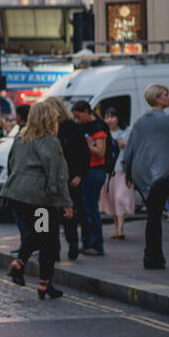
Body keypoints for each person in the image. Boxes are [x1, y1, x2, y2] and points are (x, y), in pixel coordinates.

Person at [2, 100, 73, 299]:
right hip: (39, 200)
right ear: (50, 118)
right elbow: (57, 174)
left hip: (17, 195)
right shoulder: (50, 141)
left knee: (37, 234)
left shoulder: (20, 137)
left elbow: (11, 164)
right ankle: (44, 284)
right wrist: (66, 202)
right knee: (47, 241)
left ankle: (20, 264)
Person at [124, 84, 169, 270]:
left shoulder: (140, 121)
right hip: (162, 176)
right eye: (166, 95)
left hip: (142, 173)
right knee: (155, 217)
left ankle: (152, 257)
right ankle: (154, 257)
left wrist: (128, 172)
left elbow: (131, 148)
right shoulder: (165, 120)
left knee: (152, 216)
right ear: (157, 98)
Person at [71, 100, 110, 256]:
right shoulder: (83, 126)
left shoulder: (98, 127)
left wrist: (83, 145)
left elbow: (100, 151)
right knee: (84, 208)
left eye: (79, 116)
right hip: (87, 170)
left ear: (87, 112)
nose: (77, 120)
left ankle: (97, 242)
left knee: (91, 208)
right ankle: (88, 241)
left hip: (95, 170)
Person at [56, 101, 88, 261]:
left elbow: (84, 153)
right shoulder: (47, 130)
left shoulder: (73, 129)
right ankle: (49, 247)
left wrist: (79, 175)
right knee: (46, 216)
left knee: (69, 215)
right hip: (51, 181)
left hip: (70, 178)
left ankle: (73, 243)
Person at [99, 107, 134, 240]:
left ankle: (120, 229)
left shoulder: (127, 131)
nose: (109, 120)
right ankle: (117, 228)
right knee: (112, 200)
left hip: (123, 170)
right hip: (109, 171)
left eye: (112, 117)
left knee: (120, 198)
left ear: (118, 118)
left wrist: (125, 144)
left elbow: (133, 147)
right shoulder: (104, 133)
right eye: (107, 117)